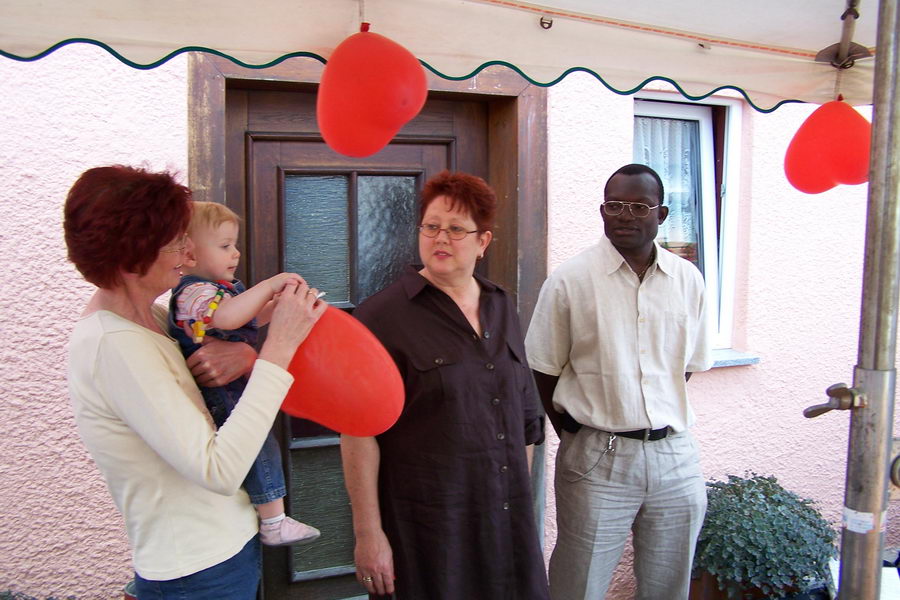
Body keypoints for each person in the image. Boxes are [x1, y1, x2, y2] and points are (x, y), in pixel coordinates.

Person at [65, 165, 327, 599]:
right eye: (175, 244)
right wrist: (278, 348)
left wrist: (247, 355)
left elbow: (207, 372)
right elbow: (217, 469)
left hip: (223, 551)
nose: (188, 256)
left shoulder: (152, 318)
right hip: (198, 571)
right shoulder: (113, 346)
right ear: (133, 257)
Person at [340, 171, 550, 600]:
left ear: (482, 242)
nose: (441, 238)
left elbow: (523, 417)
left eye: (456, 230)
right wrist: (369, 535)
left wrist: (514, 500)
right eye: (432, 227)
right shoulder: (381, 318)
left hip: (504, 524)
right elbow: (358, 433)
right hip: (428, 530)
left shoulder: (501, 305)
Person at [525, 163, 713, 600]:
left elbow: (683, 367)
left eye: (638, 205)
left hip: (676, 456)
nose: (625, 215)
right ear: (602, 211)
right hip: (597, 458)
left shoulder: (688, 279)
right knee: (579, 583)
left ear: (661, 214)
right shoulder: (570, 280)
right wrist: (577, 434)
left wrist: (651, 407)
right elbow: (543, 369)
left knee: (669, 585)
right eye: (614, 205)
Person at [168, 201, 319, 546]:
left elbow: (248, 317)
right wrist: (268, 286)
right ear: (189, 253)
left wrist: (284, 307)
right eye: (224, 246)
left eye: (234, 244)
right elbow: (226, 319)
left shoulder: (216, 289)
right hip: (221, 389)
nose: (235, 253)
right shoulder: (194, 291)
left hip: (232, 382)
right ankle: (273, 521)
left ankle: (270, 516)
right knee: (257, 445)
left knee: (261, 442)